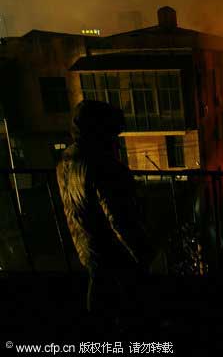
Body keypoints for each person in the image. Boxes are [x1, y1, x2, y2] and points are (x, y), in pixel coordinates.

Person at [56, 100, 154, 329]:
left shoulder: (66, 161)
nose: (116, 142)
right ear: (102, 132)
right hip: (112, 252)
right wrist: (143, 253)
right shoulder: (102, 166)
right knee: (129, 305)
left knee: (100, 299)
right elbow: (120, 218)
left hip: (86, 245)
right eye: (113, 134)